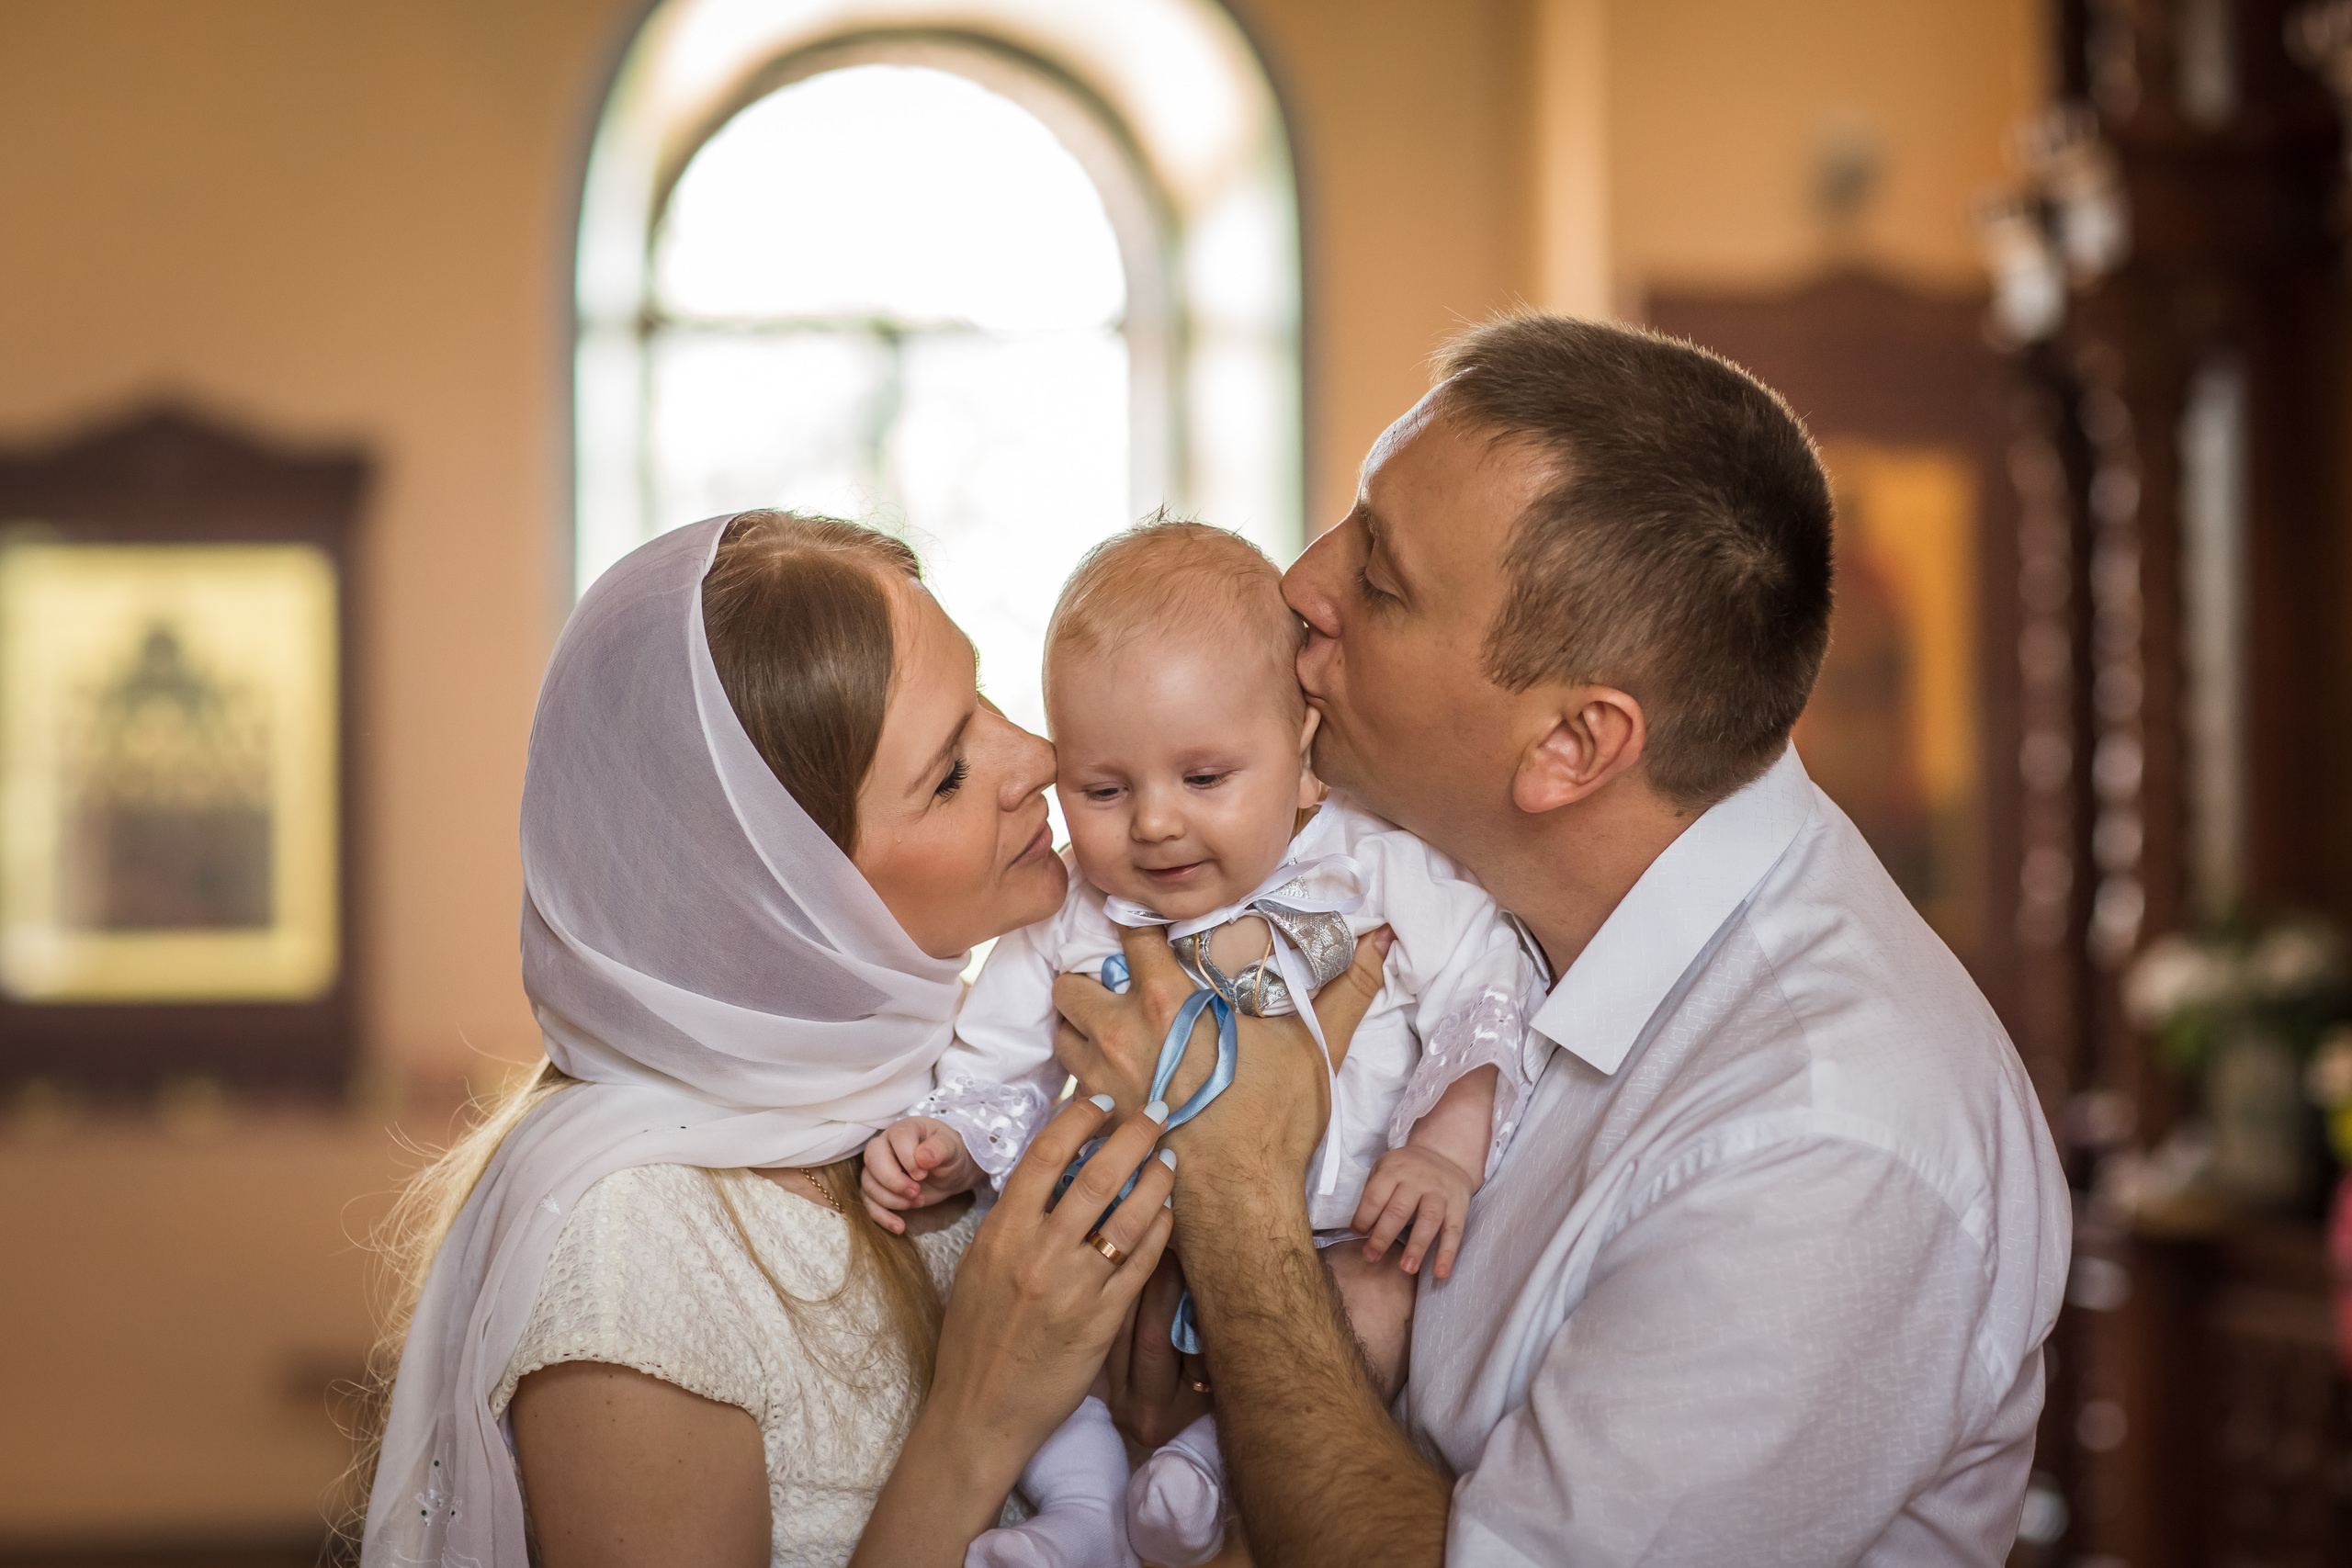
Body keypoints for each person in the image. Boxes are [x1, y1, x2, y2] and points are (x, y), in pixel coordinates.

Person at [1056, 314, 2074, 1566]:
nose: (1300, 586)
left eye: (1380, 577)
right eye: (1351, 517)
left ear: (1572, 748)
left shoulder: (1828, 1135)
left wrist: (1240, 1194)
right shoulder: (1460, 897)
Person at [356, 510, 1339, 1568]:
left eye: (985, 699)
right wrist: (979, 1421)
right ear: (785, 893)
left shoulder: (959, 1089)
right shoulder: (631, 1250)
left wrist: (1152, 1439)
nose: (1041, 758)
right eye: (950, 772)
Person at [863, 519, 1542, 1568]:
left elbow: (1482, 998)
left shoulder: (1373, 870)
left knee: (1380, 1304)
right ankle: (1082, 1518)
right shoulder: (1071, 916)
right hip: (1124, 1238)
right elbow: (993, 1056)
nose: (1155, 826)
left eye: (1204, 778)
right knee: (1036, 1322)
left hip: (1326, 1238)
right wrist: (951, 1143)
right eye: (1104, 789)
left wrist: (1441, 1152)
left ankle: (1214, 1466)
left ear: (1303, 760)